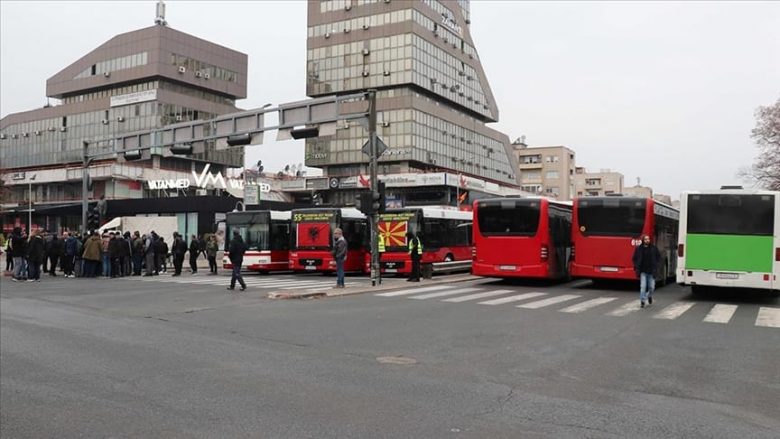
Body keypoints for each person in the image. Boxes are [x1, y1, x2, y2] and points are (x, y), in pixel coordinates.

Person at [632, 234, 661, 308]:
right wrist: (636, 266)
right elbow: (634, 258)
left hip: (652, 271)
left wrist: (657, 265)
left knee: (652, 287)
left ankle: (649, 296)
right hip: (643, 271)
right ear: (643, 240)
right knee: (643, 287)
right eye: (646, 239)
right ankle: (642, 301)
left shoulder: (654, 248)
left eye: (648, 239)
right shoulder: (638, 249)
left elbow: (658, 257)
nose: (647, 240)